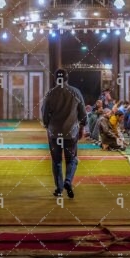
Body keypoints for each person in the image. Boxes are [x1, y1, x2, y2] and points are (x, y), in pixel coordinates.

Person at [41, 69, 87, 199]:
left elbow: (44, 113)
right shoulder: (76, 92)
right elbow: (83, 112)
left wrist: (47, 124)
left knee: (56, 161)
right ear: (67, 78)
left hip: (54, 133)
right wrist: (82, 127)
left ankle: (59, 189)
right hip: (70, 133)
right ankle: (68, 181)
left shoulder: (50, 93)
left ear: (55, 78)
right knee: (72, 159)